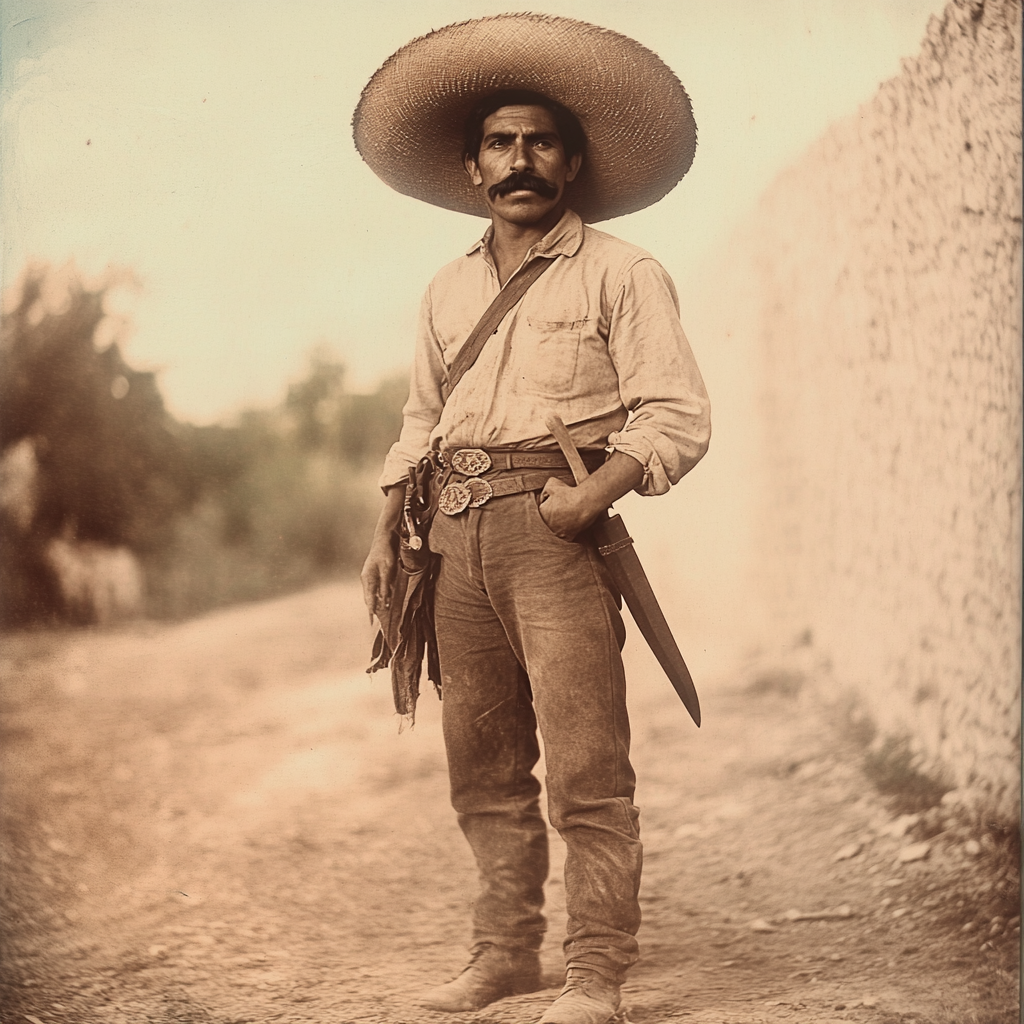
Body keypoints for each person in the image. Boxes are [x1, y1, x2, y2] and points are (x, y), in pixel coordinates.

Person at [354, 15, 711, 1024]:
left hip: (555, 533)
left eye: (540, 140)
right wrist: (389, 532)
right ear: (473, 167)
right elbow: (421, 420)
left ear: (574, 160)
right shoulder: (446, 287)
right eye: (500, 143)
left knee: (587, 765)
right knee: (484, 760)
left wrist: (588, 498)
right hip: (449, 534)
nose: (520, 159)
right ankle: (503, 952)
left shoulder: (621, 272)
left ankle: (594, 968)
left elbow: (675, 414)